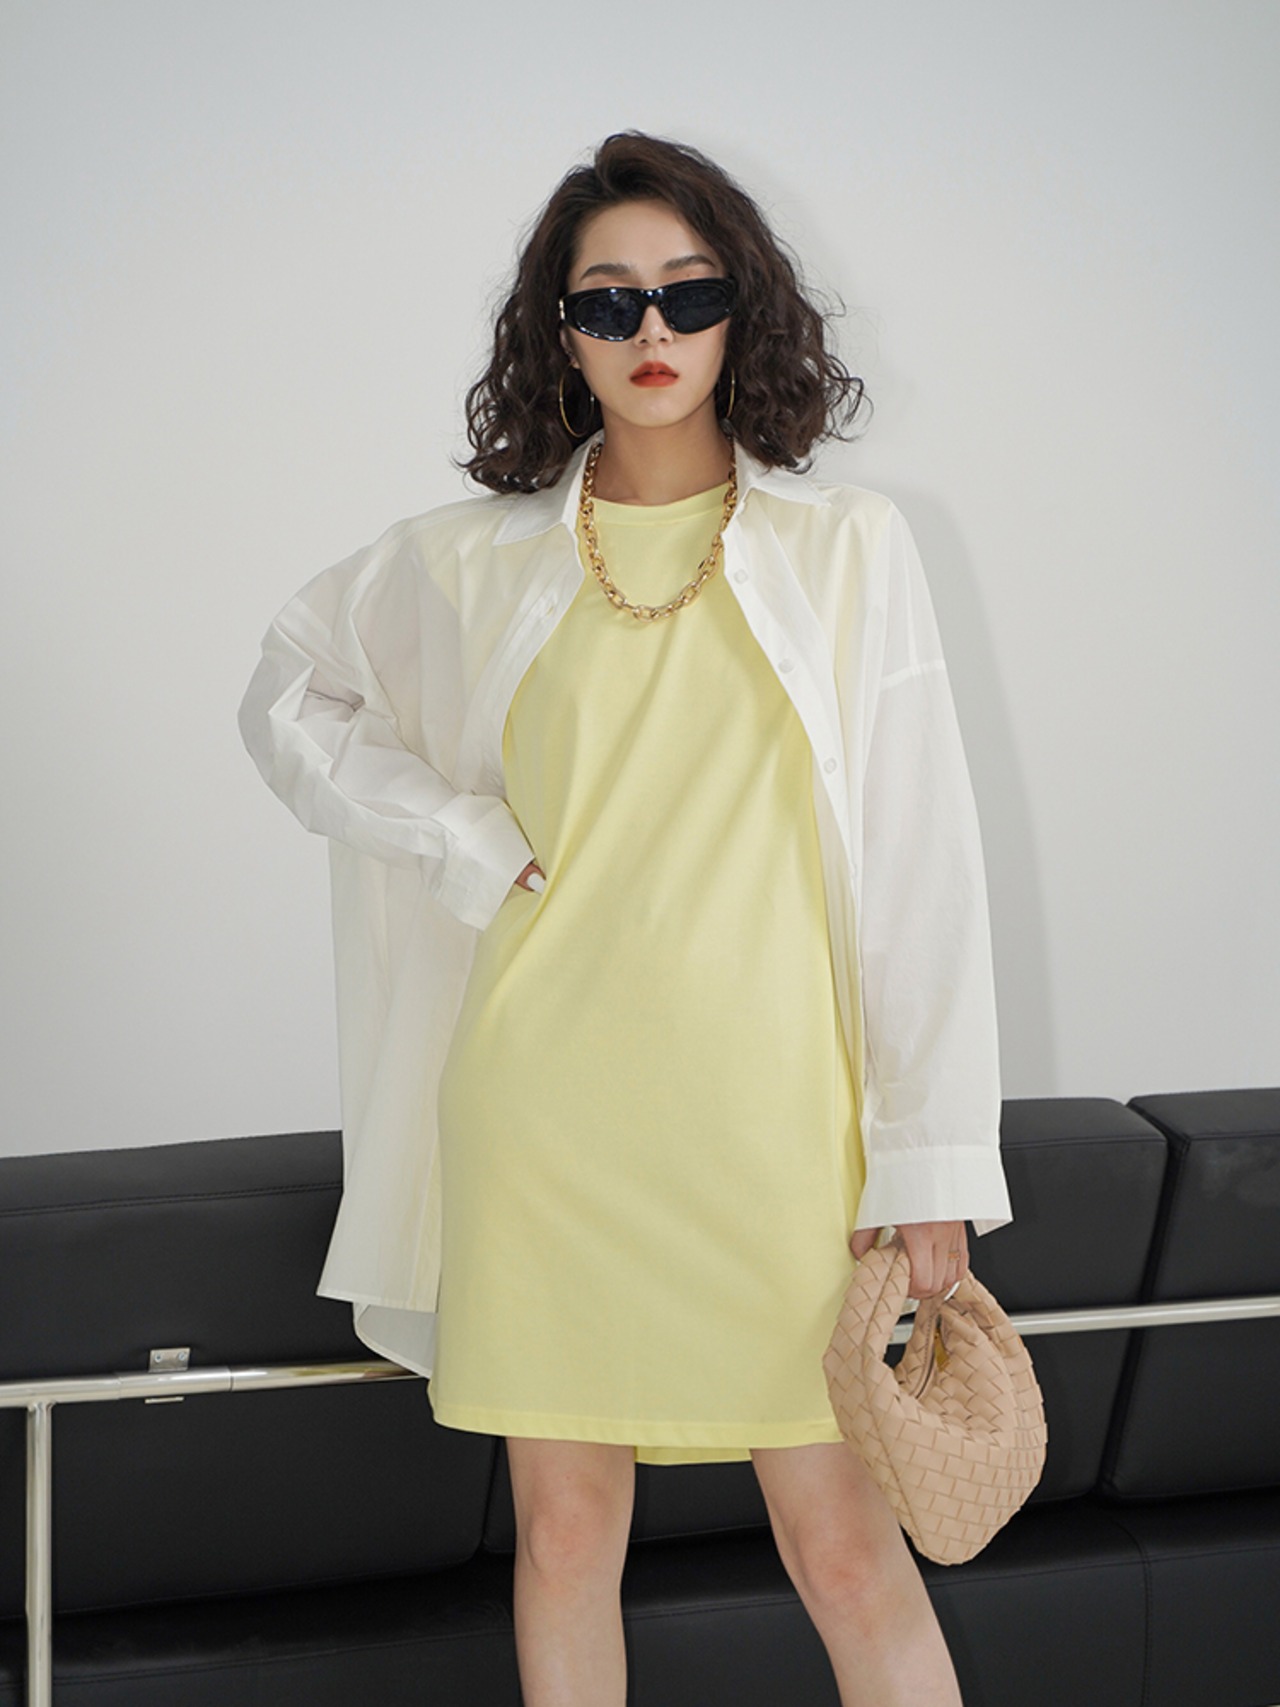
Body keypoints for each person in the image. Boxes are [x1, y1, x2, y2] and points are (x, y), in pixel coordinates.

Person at [238, 129, 1013, 1707]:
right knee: (566, 1534)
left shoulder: (849, 549)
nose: (651, 331)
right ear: (563, 333)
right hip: (545, 1117)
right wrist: (458, 838)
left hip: (778, 1131)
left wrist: (928, 1156)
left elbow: (923, 860)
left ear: (741, 313)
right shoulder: (471, 563)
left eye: (686, 293)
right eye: (608, 303)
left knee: (846, 1547)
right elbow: (288, 695)